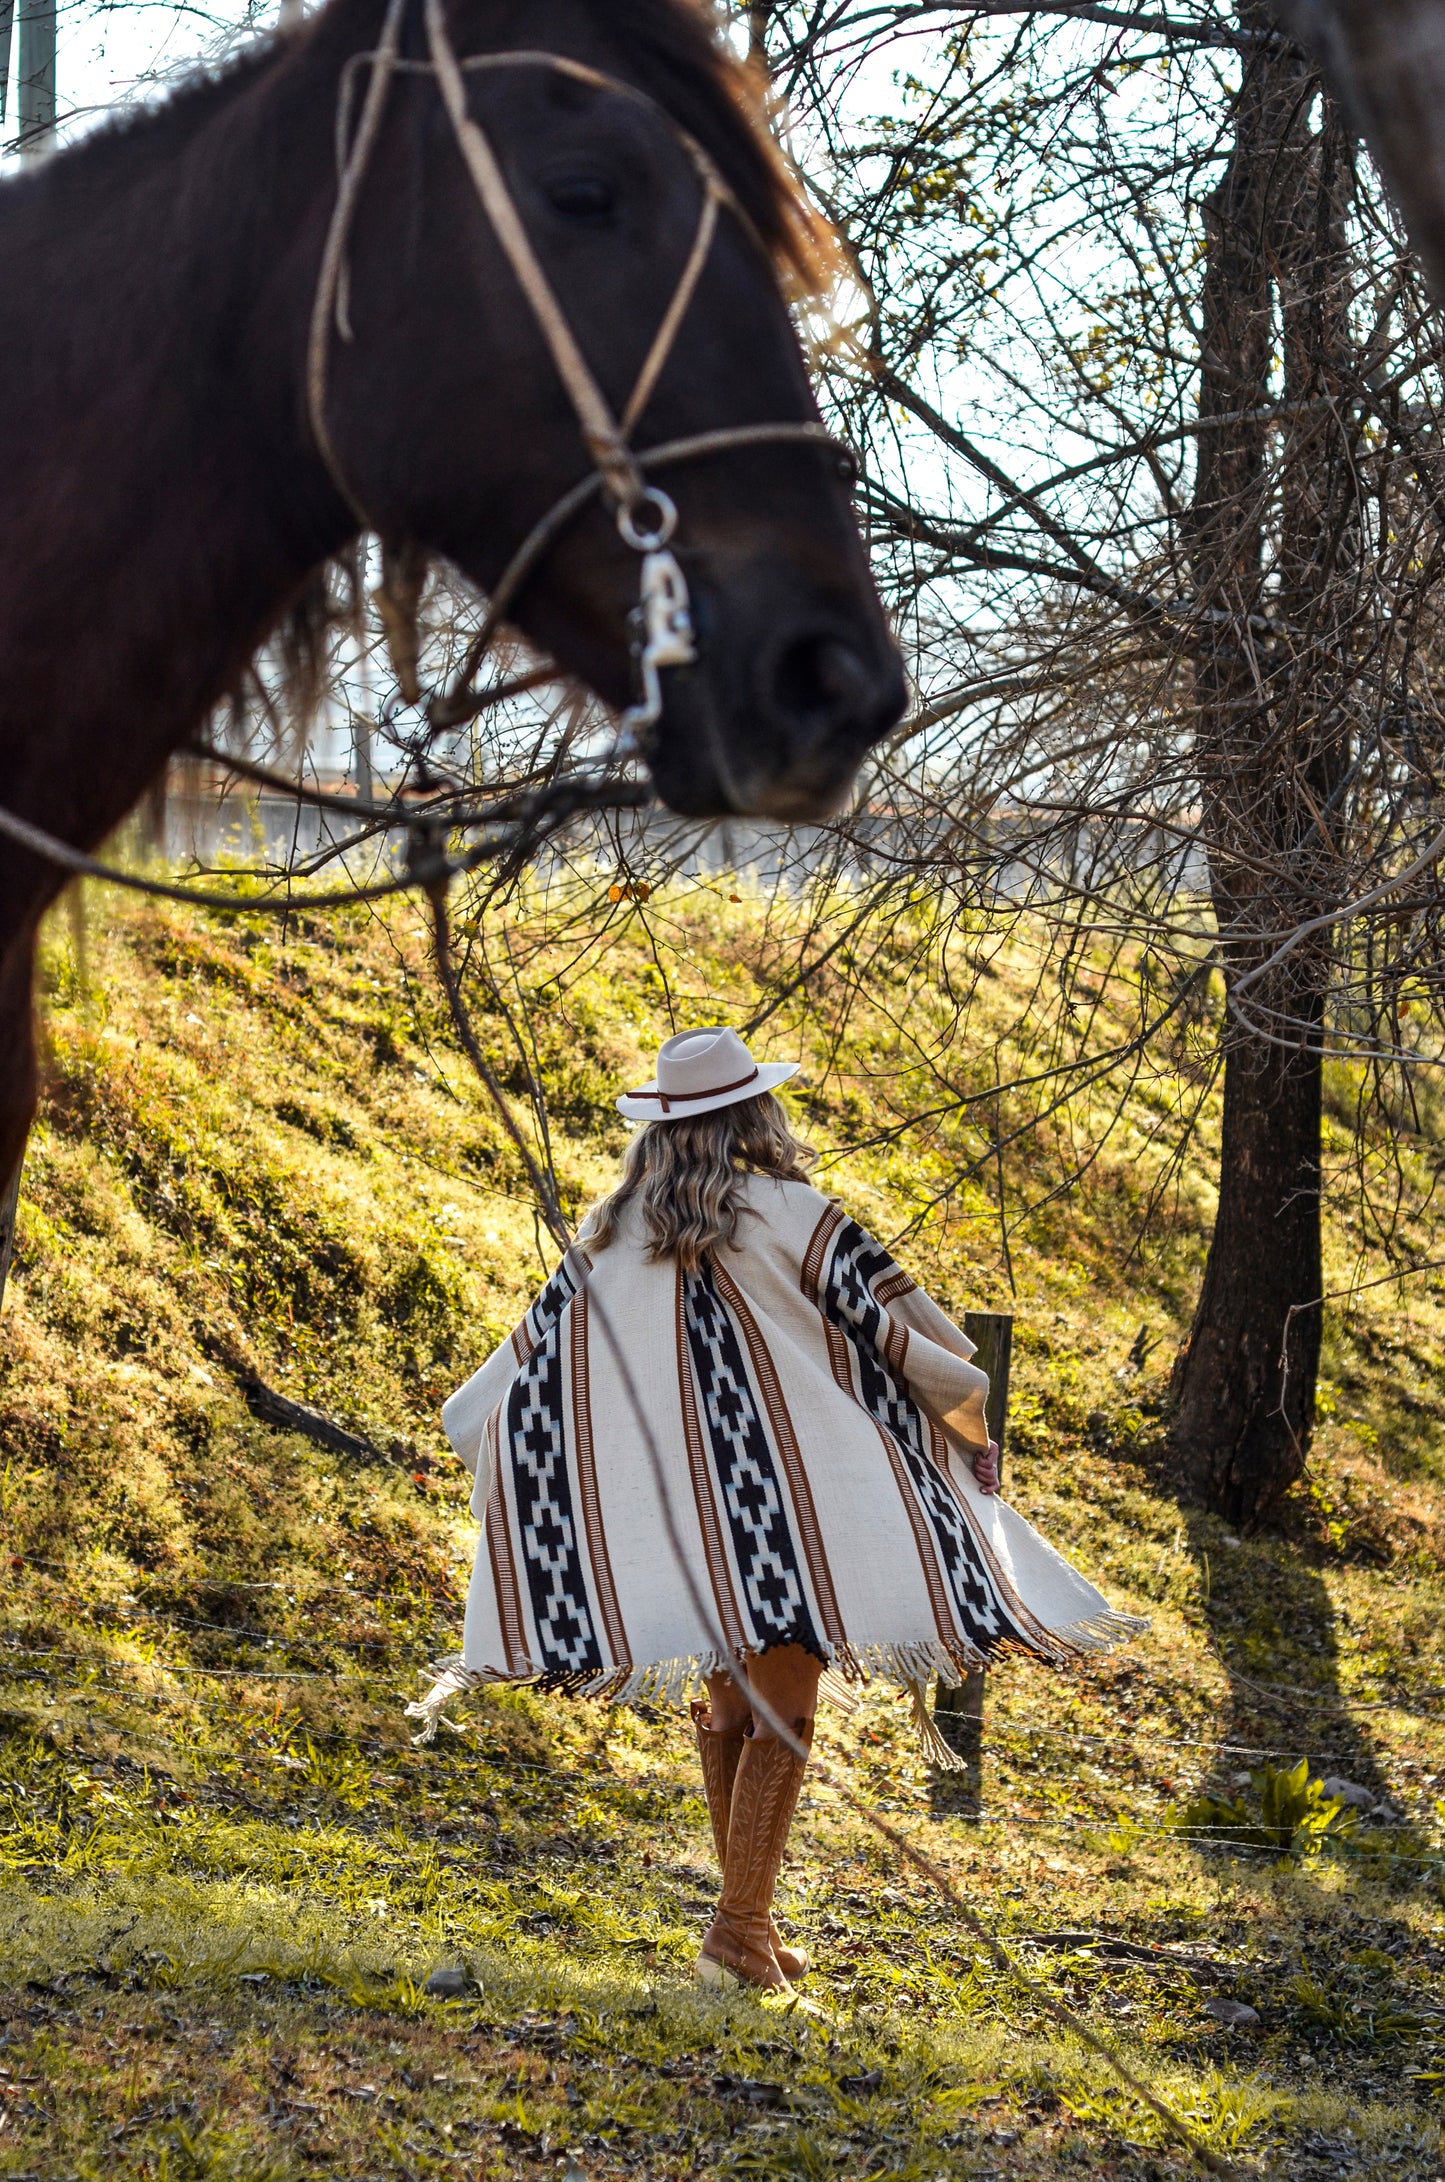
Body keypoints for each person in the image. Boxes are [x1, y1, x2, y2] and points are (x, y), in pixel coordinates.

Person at [412, 1027, 1145, 1995]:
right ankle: (737, 1930)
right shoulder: (798, 1215)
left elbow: (520, 1376)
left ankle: (743, 1937)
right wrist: (962, 1428)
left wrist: (524, 1467)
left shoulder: (612, 1232)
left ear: (660, 1133)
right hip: (791, 1515)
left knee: (729, 1701)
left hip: (687, 1519)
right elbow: (910, 1340)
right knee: (784, 1706)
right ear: (755, 1114)